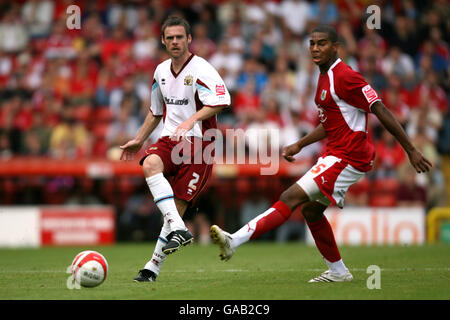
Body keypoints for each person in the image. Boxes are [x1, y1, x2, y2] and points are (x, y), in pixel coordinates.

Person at [210, 25, 432, 283]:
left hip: (348, 156)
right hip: (337, 155)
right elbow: (330, 123)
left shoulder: (346, 76)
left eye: (322, 43)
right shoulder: (324, 76)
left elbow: (379, 109)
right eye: (312, 43)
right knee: (311, 212)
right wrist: (300, 144)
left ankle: (234, 240)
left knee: (289, 196)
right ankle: (338, 272)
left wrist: (411, 149)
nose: (316, 48)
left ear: (335, 47)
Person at [119, 16, 231, 282]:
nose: (175, 42)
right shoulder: (160, 71)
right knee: (149, 163)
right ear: (163, 41)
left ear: (189, 39)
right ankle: (181, 230)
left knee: (175, 210)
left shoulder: (202, 68)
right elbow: (155, 111)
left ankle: (152, 267)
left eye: (180, 37)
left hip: (200, 147)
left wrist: (191, 121)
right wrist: (139, 139)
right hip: (171, 140)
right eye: (170, 38)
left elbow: (222, 100)